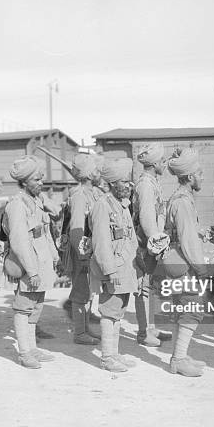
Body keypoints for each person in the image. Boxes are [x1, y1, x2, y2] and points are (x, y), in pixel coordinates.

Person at [4, 155, 58, 369]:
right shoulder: (17, 205)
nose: (41, 183)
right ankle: (25, 352)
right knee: (23, 307)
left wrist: (54, 256)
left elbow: (45, 232)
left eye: (41, 178)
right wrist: (32, 271)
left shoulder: (36, 201)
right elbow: (19, 241)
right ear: (24, 182)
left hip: (41, 261)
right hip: (29, 265)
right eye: (36, 180)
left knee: (36, 306)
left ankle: (32, 348)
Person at [89, 158, 138, 372]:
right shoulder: (102, 206)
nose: (129, 186)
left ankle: (115, 353)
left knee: (118, 311)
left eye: (129, 181)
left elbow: (130, 237)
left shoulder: (122, 205)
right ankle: (107, 357)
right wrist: (109, 271)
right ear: (112, 183)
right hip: (113, 269)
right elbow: (101, 243)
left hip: (126, 266)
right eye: (124, 182)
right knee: (109, 311)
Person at [165, 149, 209, 376]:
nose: (203, 177)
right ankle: (178, 359)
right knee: (193, 308)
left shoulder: (182, 199)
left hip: (179, 261)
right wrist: (202, 270)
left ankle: (179, 356)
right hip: (183, 263)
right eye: (200, 173)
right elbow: (188, 240)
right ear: (190, 177)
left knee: (184, 309)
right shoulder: (182, 202)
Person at [133, 143, 172, 347]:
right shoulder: (146, 185)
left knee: (151, 287)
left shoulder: (152, 182)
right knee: (142, 289)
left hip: (152, 243)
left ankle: (151, 327)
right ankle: (142, 332)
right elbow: (147, 218)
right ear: (155, 163)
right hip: (145, 244)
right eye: (163, 161)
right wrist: (157, 244)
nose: (165, 164)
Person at [65, 153, 103, 345]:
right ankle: (79, 333)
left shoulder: (94, 192)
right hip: (82, 250)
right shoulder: (80, 196)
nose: (99, 172)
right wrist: (82, 254)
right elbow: (76, 230)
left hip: (91, 250)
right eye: (95, 169)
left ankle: (86, 328)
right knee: (81, 292)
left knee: (89, 292)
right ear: (88, 174)